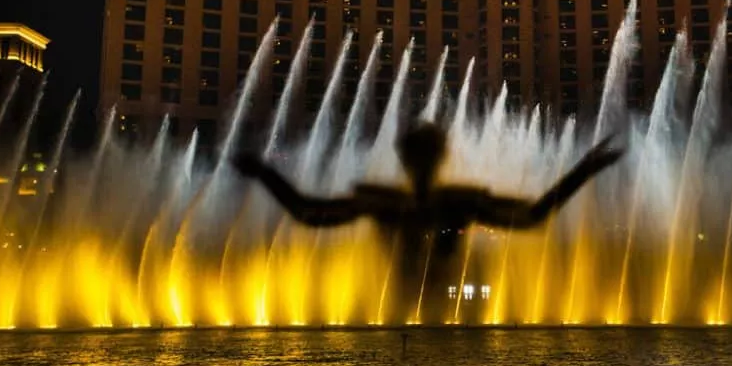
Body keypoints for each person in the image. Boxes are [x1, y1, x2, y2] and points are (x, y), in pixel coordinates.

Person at [231, 122, 623, 257]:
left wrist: (585, 169)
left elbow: (534, 216)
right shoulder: (386, 202)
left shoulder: (457, 201)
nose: (422, 164)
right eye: (418, 156)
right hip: (400, 318)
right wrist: (264, 174)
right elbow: (307, 213)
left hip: (445, 316)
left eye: (427, 155)